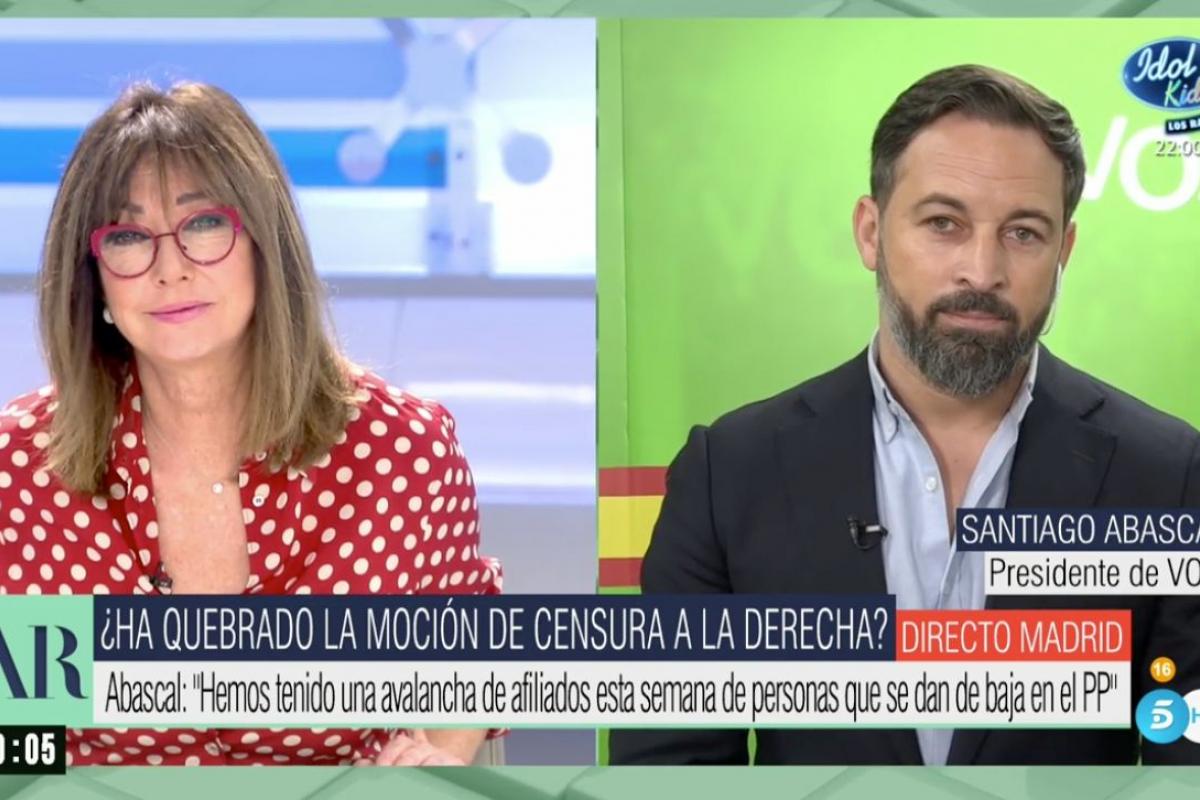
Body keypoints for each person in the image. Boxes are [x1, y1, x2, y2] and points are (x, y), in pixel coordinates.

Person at [609, 64, 1200, 765]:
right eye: (944, 224)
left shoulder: (1167, 474)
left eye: (1023, 233)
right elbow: (669, 767)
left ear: (1063, 252)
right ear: (871, 232)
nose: (981, 271)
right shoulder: (729, 473)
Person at [0, 82, 503, 766]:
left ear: (266, 245)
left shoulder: (402, 453)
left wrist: (435, 767)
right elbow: (20, 744)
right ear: (96, 279)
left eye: (204, 224)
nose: (170, 269)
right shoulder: (21, 471)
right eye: (127, 236)